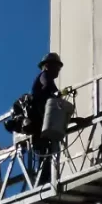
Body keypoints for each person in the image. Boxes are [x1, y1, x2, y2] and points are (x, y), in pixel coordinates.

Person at [30, 52, 63, 183]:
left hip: (43, 122)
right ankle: (42, 182)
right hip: (39, 123)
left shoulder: (47, 80)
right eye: (57, 67)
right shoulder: (44, 76)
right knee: (45, 153)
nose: (58, 70)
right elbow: (50, 88)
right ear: (47, 66)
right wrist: (57, 94)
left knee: (47, 153)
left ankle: (45, 180)